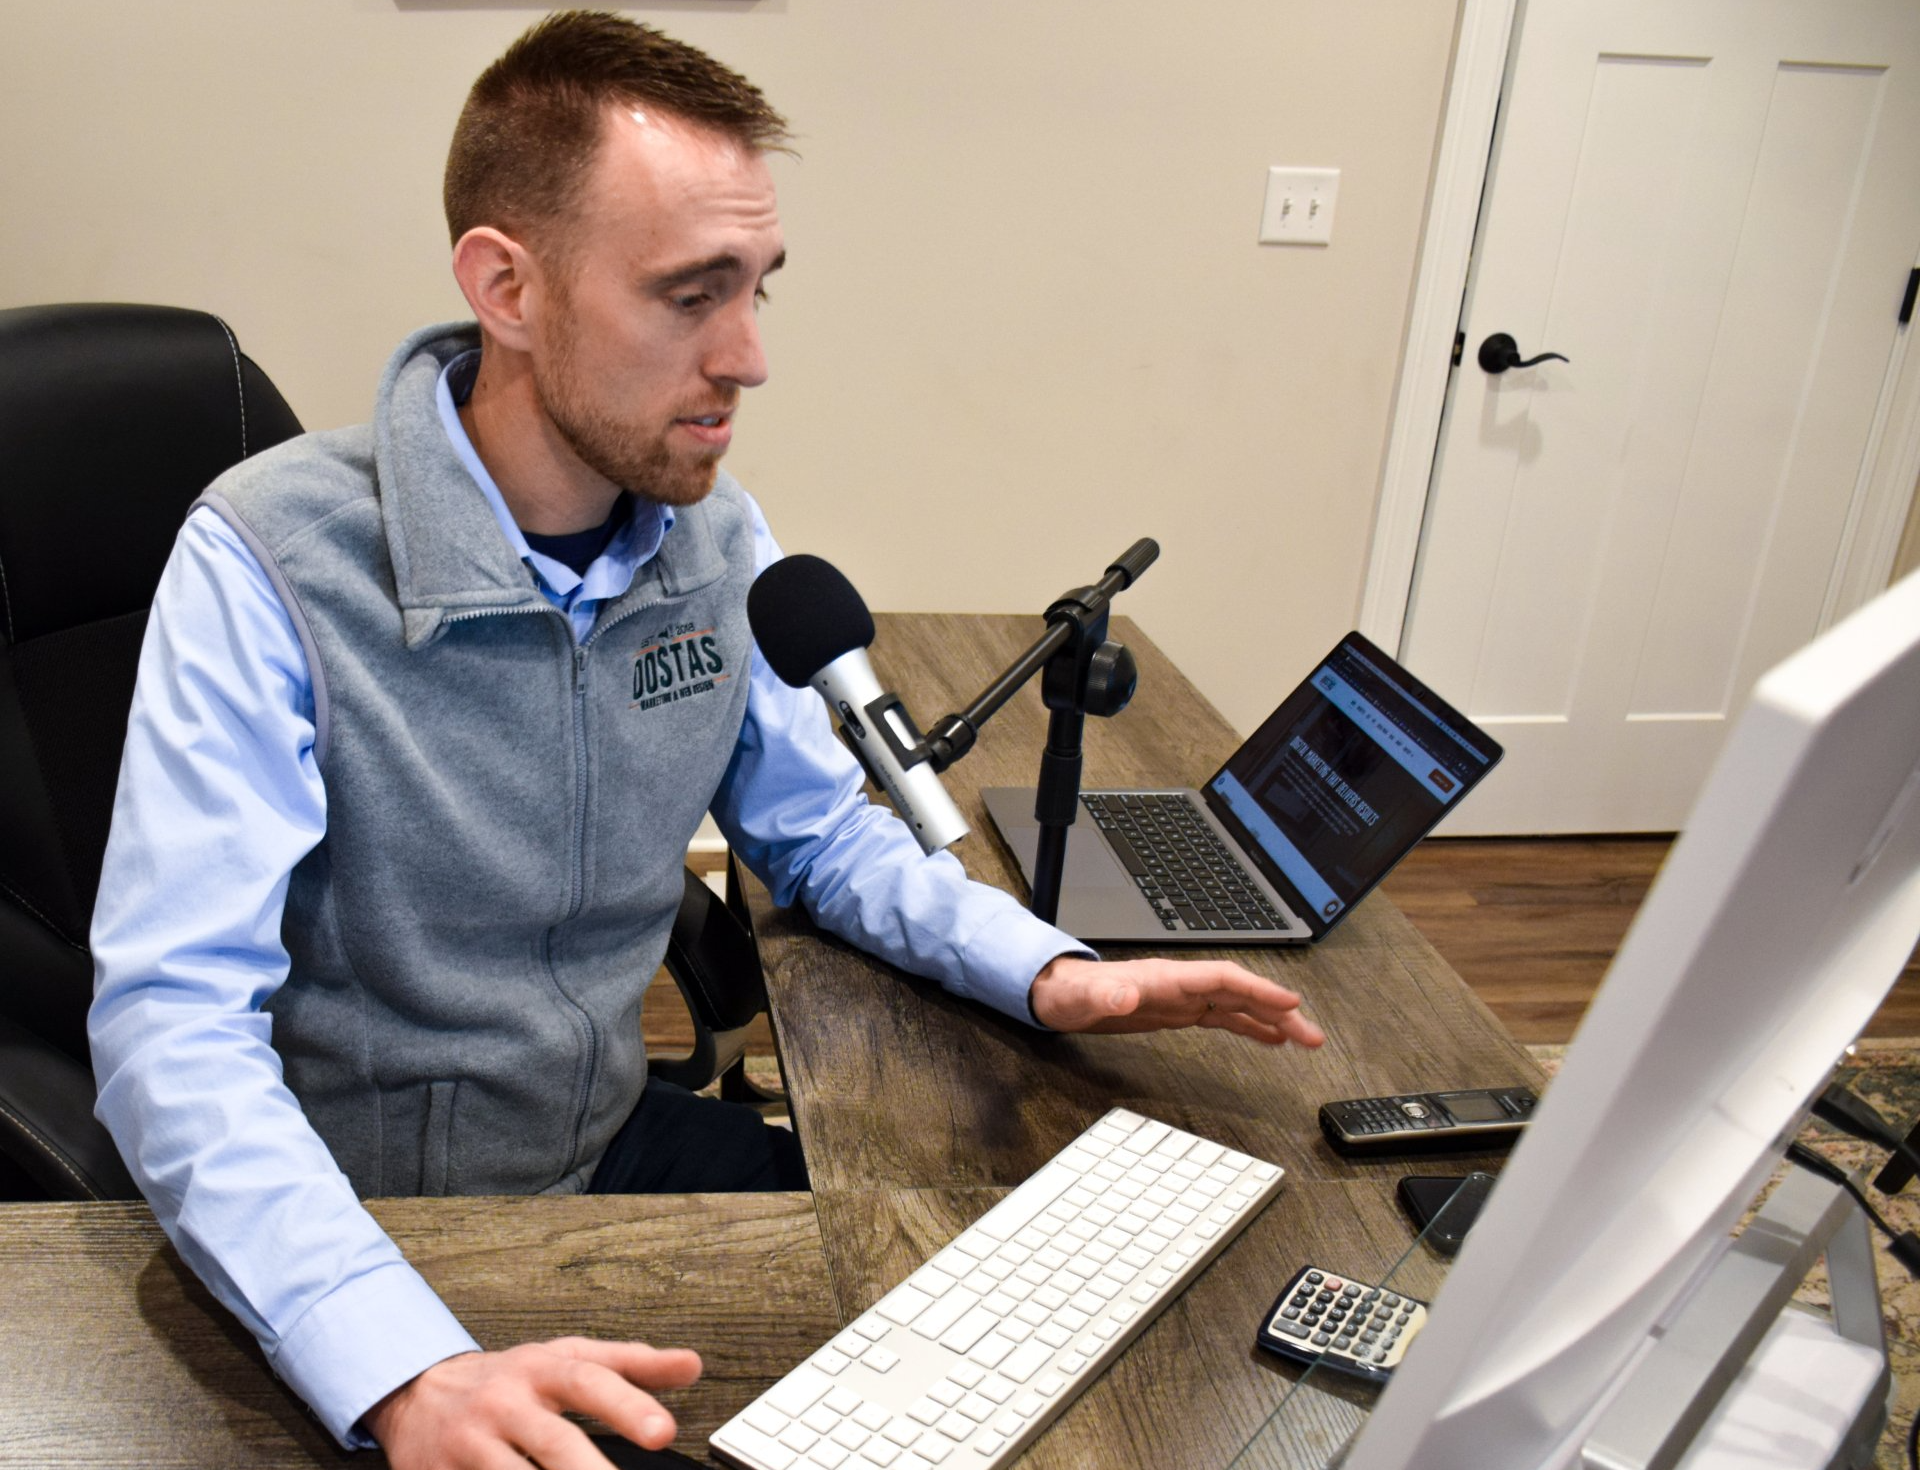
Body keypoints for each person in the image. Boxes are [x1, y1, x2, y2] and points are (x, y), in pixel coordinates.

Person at [86, 12, 1325, 1469]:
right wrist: (399, 1362)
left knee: (1017, 1330)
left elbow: (820, 828)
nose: (746, 357)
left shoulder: (715, 541)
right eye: (689, 294)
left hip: (606, 1143)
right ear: (507, 287)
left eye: (757, 289)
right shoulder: (269, 561)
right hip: (358, 1223)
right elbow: (170, 1025)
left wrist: (1044, 969)